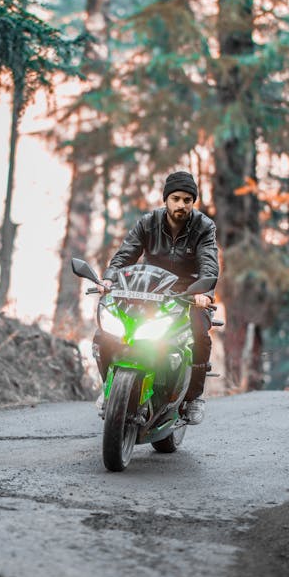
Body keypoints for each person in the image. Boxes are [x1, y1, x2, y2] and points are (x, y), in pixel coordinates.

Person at [95, 170, 219, 425]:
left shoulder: (203, 227)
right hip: (149, 287)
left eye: (187, 200)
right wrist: (109, 278)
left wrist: (203, 293)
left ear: (193, 202)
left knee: (199, 334)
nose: (181, 205)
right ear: (166, 199)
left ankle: (193, 397)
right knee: (105, 332)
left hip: (188, 291)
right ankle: (110, 389)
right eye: (176, 198)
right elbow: (125, 254)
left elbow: (209, 264)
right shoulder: (148, 222)